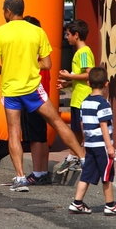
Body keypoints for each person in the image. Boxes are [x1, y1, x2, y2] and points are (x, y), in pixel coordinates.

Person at [0, 0, 85, 192]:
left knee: (14, 132)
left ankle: (21, 178)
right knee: (57, 121)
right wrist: (30, 64)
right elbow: (47, 64)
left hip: (11, 89)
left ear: (7, 11)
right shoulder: (37, 31)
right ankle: (84, 158)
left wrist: (7, 68)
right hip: (33, 88)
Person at [68, 66, 116, 215]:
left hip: (90, 143)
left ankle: (77, 202)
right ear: (106, 84)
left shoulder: (85, 102)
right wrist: (110, 146)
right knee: (107, 175)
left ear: (88, 83)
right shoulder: (103, 104)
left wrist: (85, 142)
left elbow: (82, 124)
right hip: (102, 144)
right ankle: (110, 205)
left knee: (87, 174)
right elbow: (103, 124)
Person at [56, 19, 94, 174]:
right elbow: (81, 76)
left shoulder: (84, 52)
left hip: (83, 99)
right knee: (77, 130)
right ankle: (74, 156)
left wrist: (68, 76)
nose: (66, 37)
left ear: (76, 35)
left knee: (84, 130)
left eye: (68, 34)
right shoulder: (79, 52)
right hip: (77, 98)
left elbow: (89, 74)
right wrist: (67, 84)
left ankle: (85, 157)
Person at [20, 16, 51, 185]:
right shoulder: (43, 52)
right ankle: (43, 171)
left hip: (33, 96)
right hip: (43, 96)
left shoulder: (34, 57)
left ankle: (38, 172)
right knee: (42, 136)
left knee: (35, 137)